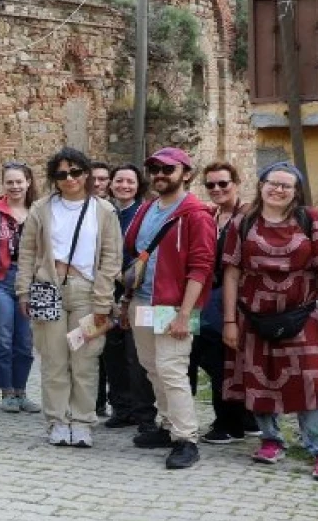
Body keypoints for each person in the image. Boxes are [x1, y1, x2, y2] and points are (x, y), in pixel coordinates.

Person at [221, 162, 318, 482]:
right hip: (254, 316)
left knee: (312, 382)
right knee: (259, 377)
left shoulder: (311, 220)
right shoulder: (243, 221)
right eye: (272, 183)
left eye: (286, 185)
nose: (278, 189)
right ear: (261, 185)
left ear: (296, 191)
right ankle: (271, 440)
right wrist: (230, 320)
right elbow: (232, 272)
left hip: (302, 315)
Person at [16, 148, 121, 449]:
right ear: (54, 178)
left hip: (88, 292)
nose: (69, 178)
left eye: (75, 172)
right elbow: (26, 253)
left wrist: (104, 300)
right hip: (48, 289)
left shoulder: (103, 210)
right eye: (62, 174)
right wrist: (24, 290)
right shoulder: (41, 209)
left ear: (86, 173)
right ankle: (57, 421)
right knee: (54, 360)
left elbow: (111, 258)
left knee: (85, 359)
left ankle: (83, 421)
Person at [122, 147, 215, 469]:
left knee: (173, 370)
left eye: (168, 169)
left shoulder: (196, 214)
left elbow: (201, 268)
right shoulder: (147, 209)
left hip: (174, 305)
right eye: (155, 169)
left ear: (186, 173)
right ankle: (168, 425)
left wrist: (185, 314)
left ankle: (186, 438)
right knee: (152, 368)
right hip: (143, 301)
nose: (160, 174)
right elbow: (134, 250)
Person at [192, 162, 256, 444]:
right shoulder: (210, 216)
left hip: (236, 301)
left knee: (226, 363)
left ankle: (229, 424)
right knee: (214, 360)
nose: (217, 189)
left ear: (237, 183)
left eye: (223, 184)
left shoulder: (249, 216)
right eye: (211, 185)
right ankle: (240, 417)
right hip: (209, 300)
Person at [0, 162, 39, 413]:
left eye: (19, 181)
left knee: (25, 340)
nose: (15, 186)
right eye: (9, 182)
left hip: (29, 282)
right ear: (3, 184)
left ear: (28, 183)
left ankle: (22, 390)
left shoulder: (38, 212)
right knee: (2, 338)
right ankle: (7, 392)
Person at [101, 163, 156, 430]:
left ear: (138, 186)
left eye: (130, 182)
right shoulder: (104, 212)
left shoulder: (145, 214)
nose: (124, 186)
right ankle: (120, 408)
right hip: (107, 292)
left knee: (137, 355)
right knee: (112, 353)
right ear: (111, 184)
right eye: (119, 180)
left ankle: (142, 411)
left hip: (137, 291)